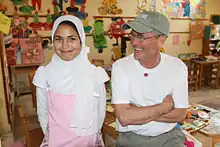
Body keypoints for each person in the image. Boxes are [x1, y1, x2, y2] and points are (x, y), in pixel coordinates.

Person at [111, 10, 188, 147]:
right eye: (132, 35)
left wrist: (137, 112)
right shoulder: (120, 67)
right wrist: (164, 107)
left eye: (141, 36)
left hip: (169, 139)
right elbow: (124, 117)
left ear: (162, 40)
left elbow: (180, 115)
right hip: (132, 139)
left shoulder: (177, 67)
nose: (134, 42)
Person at [32, 15, 109, 147]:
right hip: (57, 143)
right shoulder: (44, 76)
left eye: (72, 39)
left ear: (81, 41)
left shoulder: (95, 75)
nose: (64, 45)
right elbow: (43, 113)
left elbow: (100, 114)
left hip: (88, 143)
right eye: (58, 39)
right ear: (52, 41)